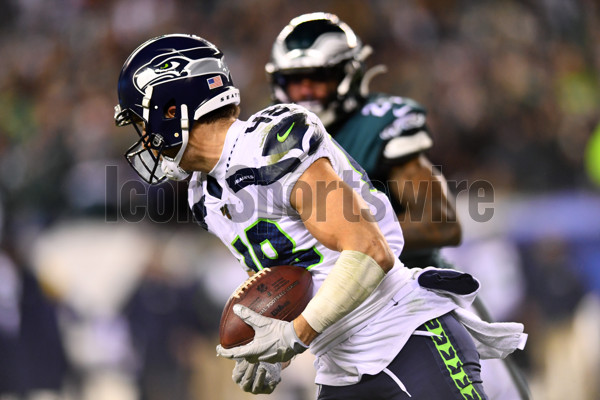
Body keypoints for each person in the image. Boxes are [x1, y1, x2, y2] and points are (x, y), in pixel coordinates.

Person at [114, 33, 527, 399]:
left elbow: (369, 250)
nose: (143, 139)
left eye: (140, 122)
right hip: (340, 366)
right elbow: (291, 278)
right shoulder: (203, 193)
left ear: (171, 109)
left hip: (403, 333)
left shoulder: (271, 142)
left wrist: (293, 336)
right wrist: (270, 342)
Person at [265, 12, 530, 399]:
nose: (305, 94)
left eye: (317, 80)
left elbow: (441, 223)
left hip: (412, 304)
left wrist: (354, 239)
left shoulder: (379, 123)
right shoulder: (270, 143)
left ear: (348, 75)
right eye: (294, 81)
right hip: (339, 320)